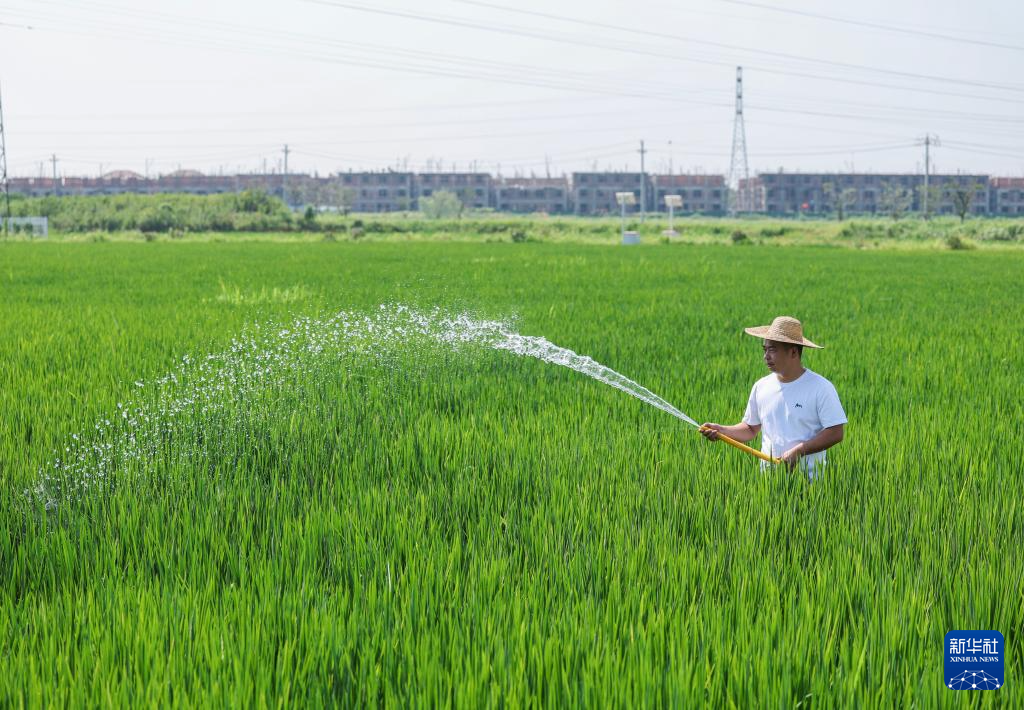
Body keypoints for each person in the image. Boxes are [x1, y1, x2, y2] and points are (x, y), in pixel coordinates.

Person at [700, 316, 846, 479]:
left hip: (811, 483)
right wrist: (722, 430)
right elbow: (750, 429)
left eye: (773, 350)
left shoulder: (820, 387)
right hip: (769, 482)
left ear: (793, 352)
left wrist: (798, 451)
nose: (766, 356)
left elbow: (836, 432)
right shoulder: (761, 387)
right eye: (765, 350)